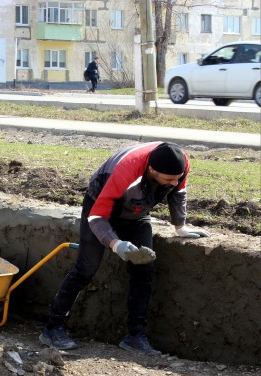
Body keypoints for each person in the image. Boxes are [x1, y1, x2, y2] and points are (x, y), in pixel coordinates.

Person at [39, 142, 211, 356]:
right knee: (86, 267)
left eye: (177, 177)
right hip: (100, 207)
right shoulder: (124, 172)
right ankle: (52, 329)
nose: (174, 182)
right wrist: (115, 243)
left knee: (144, 269)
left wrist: (180, 226)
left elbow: (179, 191)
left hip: (137, 211)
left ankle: (135, 336)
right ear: (151, 170)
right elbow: (97, 216)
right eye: (168, 179)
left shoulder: (180, 163)